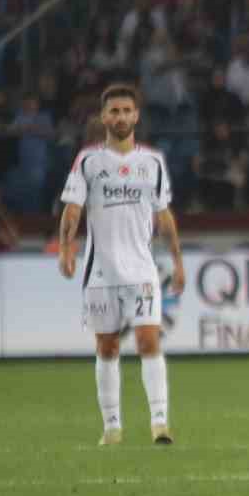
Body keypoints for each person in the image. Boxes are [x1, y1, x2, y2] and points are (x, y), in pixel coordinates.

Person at [57, 85, 186, 446]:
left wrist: (177, 261)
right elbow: (72, 209)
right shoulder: (89, 161)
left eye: (127, 110)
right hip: (101, 272)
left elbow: (164, 216)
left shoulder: (152, 163)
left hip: (143, 270)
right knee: (107, 347)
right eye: (114, 111)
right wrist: (66, 248)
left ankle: (160, 423)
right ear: (103, 117)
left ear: (137, 115)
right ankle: (112, 427)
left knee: (148, 342)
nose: (121, 117)